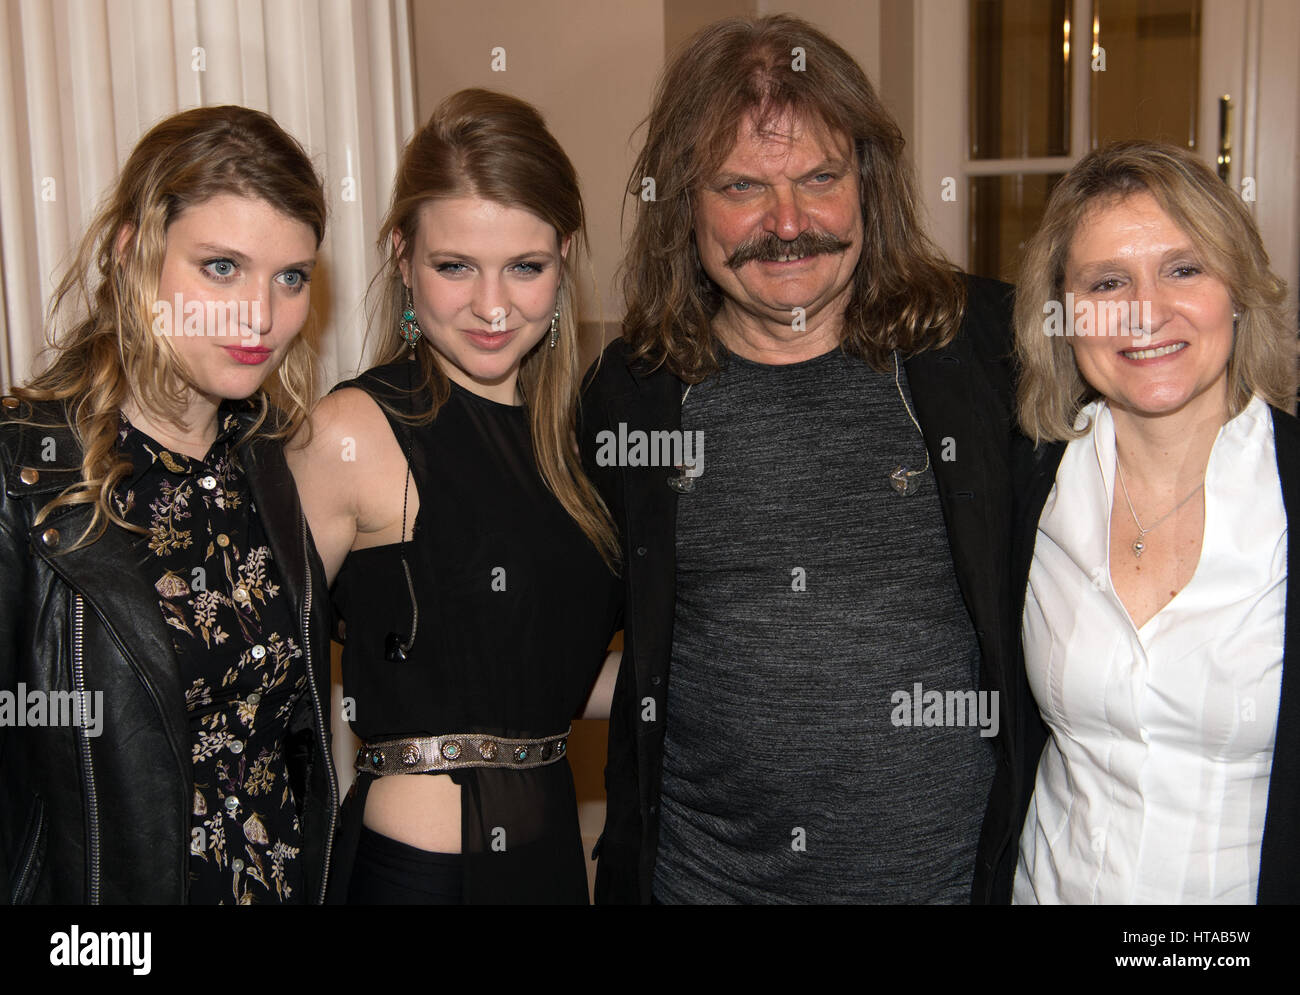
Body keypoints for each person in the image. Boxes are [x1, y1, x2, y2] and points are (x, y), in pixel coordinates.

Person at [581, 14, 1019, 903]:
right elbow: (556, 632)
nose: (788, 223)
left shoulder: (987, 354)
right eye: (742, 185)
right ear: (685, 207)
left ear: (867, 182)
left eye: (820, 177)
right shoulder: (634, 394)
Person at [288, 88, 622, 905]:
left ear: (565, 255)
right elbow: (261, 687)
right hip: (421, 877)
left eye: (526, 267)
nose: (493, 305)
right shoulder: (352, 431)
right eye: (454, 266)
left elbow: (538, 680)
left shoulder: (573, 444)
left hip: (549, 868)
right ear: (402, 255)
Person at [0, 105, 337, 904]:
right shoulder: (26, 471)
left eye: (290, 276)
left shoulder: (274, 460)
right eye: (222, 266)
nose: (261, 315)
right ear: (131, 254)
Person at [1000, 140, 1300, 904]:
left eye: (1183, 268)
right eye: (1107, 282)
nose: (1146, 310)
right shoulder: (1020, 489)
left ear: (1236, 286)